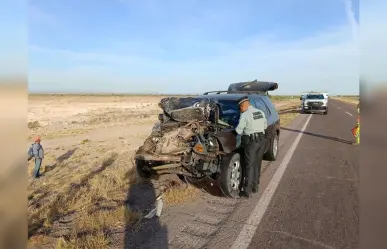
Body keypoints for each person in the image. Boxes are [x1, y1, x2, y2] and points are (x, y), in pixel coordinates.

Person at [235, 96, 267, 198]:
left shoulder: (245, 114)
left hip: (251, 143)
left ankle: (247, 191)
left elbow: (239, 131)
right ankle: (255, 186)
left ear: (243, 105)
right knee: (257, 164)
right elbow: (265, 125)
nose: (240, 109)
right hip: (262, 140)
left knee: (249, 165)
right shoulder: (260, 112)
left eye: (240, 107)